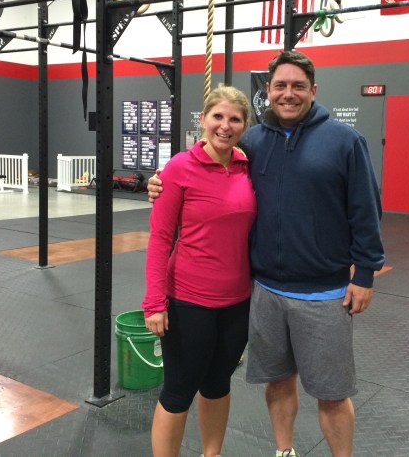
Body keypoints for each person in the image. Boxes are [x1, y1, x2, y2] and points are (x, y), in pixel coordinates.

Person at [149, 51, 385, 457]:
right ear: (268, 92)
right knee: (277, 381)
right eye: (280, 86)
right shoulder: (254, 142)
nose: (288, 94)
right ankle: (284, 451)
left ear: (313, 90)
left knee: (332, 393)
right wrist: (162, 180)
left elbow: (366, 211)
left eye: (298, 86)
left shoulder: (344, 141)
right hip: (265, 292)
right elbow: (205, 163)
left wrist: (364, 273)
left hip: (323, 293)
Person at [143, 85, 256, 457]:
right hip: (188, 302)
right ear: (204, 119)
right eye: (218, 116)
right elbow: (160, 238)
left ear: (244, 125)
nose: (225, 125)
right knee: (178, 392)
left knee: (218, 385)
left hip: (237, 302)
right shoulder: (179, 168)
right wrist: (154, 302)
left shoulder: (246, 166)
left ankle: (212, 454)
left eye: (235, 119)